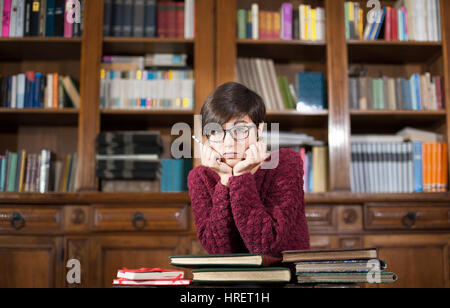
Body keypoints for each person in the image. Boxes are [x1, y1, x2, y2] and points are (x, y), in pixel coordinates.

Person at [187, 82, 310, 258]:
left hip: (283, 279)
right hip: (230, 282)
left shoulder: (285, 163)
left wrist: (241, 178)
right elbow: (219, 251)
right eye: (217, 131)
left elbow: (267, 247)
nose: (229, 142)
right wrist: (224, 180)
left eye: (240, 129)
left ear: (258, 129)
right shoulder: (199, 177)